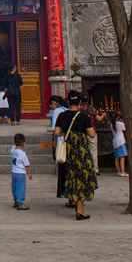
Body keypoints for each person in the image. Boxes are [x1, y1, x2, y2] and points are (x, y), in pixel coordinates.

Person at [55, 90, 98, 220]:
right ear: (79, 102)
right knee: (82, 177)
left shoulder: (62, 116)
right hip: (81, 151)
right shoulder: (83, 116)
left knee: (70, 175)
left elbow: (56, 132)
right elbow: (91, 134)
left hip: (68, 150)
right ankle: (80, 210)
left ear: (68, 101)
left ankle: (71, 200)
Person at [79, 93, 106, 175]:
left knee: (82, 150)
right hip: (92, 131)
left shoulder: (79, 109)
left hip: (82, 132)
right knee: (93, 151)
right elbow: (99, 118)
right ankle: (95, 169)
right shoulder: (91, 108)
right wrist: (104, 115)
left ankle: (83, 168)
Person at [10, 132, 32, 210]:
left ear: (14, 142)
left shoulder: (13, 150)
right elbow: (27, 164)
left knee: (14, 187)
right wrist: (29, 173)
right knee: (21, 188)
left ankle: (16, 200)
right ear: (24, 143)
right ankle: (20, 203)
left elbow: (13, 146)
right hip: (21, 173)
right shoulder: (23, 153)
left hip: (14, 172)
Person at [108, 110, 127, 177]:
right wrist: (122, 122)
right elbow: (124, 129)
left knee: (117, 157)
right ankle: (123, 172)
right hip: (120, 141)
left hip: (115, 142)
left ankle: (118, 171)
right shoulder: (119, 123)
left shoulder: (111, 124)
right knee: (122, 157)